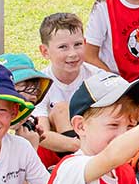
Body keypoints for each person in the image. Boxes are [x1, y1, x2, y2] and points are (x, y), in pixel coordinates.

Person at [33, 12, 102, 160]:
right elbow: (42, 135)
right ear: (45, 51)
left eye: (77, 45)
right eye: (63, 47)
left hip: (92, 144)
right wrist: (81, 147)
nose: (73, 54)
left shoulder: (97, 77)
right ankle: (76, 166)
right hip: (55, 152)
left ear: (85, 43)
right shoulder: (39, 84)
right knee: (61, 109)